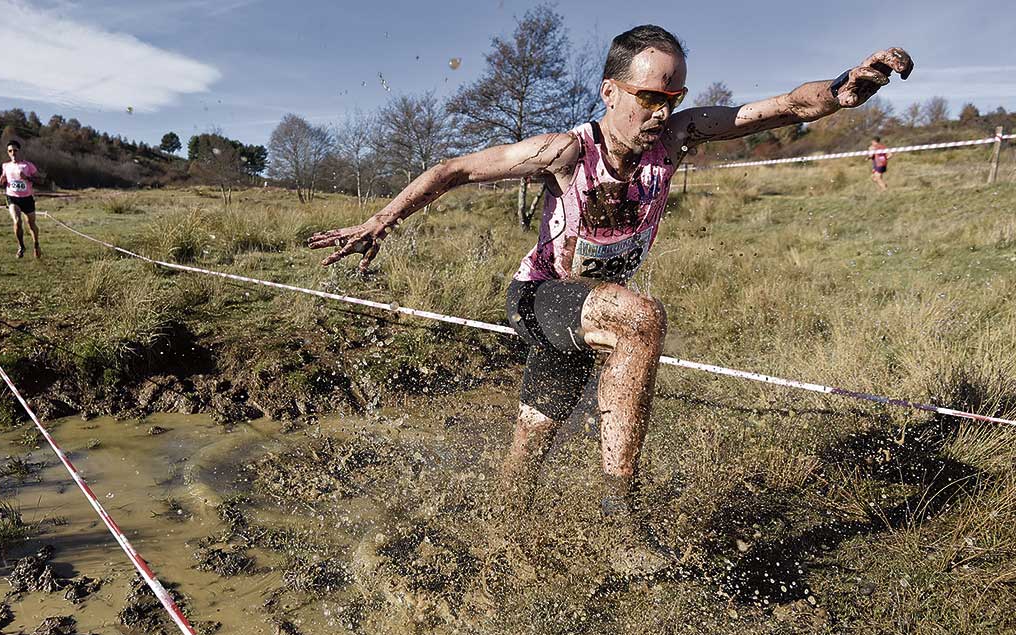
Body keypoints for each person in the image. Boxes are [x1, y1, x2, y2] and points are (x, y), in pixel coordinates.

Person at [308, 26, 913, 525]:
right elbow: (454, 169)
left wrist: (841, 91)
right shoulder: (566, 150)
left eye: (673, 97)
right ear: (610, 91)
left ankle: (499, 531)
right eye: (649, 96)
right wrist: (377, 223)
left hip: (590, 311)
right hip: (541, 297)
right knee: (639, 318)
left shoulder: (677, 136)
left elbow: (779, 107)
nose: (662, 111)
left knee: (533, 436)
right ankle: (621, 509)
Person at [0, 139, 41, 258]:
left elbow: (40, 180)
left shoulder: (28, 165)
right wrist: (0, 181)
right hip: (12, 197)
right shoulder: (5, 166)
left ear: (19, 151)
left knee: (31, 224)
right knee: (17, 221)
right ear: (8, 152)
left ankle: (36, 244)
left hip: (27, 198)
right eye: (10, 151)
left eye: (15, 150)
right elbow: (2, 179)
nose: (13, 153)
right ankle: (21, 246)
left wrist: (27, 177)